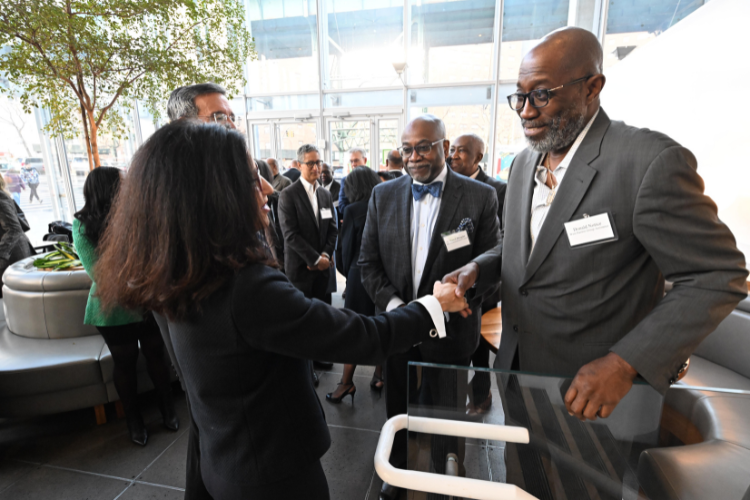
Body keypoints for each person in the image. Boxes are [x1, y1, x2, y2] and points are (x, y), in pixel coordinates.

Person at [93, 120, 468, 500]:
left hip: (222, 461)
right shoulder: (245, 287)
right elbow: (364, 338)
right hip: (272, 476)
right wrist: (434, 306)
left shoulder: (168, 270)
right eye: (254, 177)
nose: (269, 189)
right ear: (214, 194)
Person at [444, 27, 748, 423]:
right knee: (520, 484)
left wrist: (624, 364)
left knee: (580, 489)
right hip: (519, 380)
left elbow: (717, 275)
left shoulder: (647, 162)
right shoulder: (522, 165)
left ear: (592, 87)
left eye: (541, 94)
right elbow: (528, 250)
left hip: (596, 396)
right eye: (519, 96)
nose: (525, 111)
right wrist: (478, 268)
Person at [358, 114, 502, 500]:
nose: (414, 156)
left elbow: (494, 261)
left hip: (452, 333)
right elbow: (367, 264)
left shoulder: (479, 196)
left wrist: (465, 296)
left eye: (424, 146)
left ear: (443, 145)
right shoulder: (381, 195)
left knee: (448, 413)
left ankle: (448, 473)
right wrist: (400, 310)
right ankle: (397, 470)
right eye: (407, 148)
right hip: (397, 329)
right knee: (397, 405)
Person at [72, 167, 178, 447]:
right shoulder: (82, 225)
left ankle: (168, 410)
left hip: (147, 300)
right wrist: (139, 283)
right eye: (123, 183)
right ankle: (135, 422)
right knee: (125, 363)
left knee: (157, 354)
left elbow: (156, 253)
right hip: (112, 306)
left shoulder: (138, 216)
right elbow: (98, 273)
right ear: (110, 190)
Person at [448, 133, 507, 413]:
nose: (454, 155)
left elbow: (503, 238)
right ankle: (454, 397)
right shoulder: (446, 185)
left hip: (484, 284)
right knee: (457, 340)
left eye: (461, 151)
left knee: (481, 346)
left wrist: (479, 265)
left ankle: (482, 395)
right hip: (450, 279)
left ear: (478, 157)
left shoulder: (497, 189)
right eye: (453, 150)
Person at [278, 144, 339, 382]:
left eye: (318, 162)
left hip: (322, 268)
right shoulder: (288, 195)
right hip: (301, 269)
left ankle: (320, 354)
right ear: (299, 165)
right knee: (303, 318)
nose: (316, 167)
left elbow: (333, 229)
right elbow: (290, 235)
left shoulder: (324, 194)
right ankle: (306, 366)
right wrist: (315, 259)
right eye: (311, 163)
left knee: (322, 314)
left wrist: (324, 256)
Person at [328, 167, 383, 403]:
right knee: (382, 325)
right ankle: (379, 375)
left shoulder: (352, 210)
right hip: (384, 277)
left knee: (354, 330)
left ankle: (346, 383)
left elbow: (344, 250)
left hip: (359, 277)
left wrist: (347, 273)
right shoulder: (385, 204)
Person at [0, 175, 32, 284]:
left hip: (11, 254)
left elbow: (14, 228)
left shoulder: (0, 197)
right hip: (9, 253)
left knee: (13, 295)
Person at [337, 147, 367, 217]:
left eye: (356, 160)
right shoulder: (345, 181)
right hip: (354, 222)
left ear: (365, 160)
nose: (353, 164)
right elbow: (341, 207)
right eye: (351, 161)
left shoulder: (375, 177)